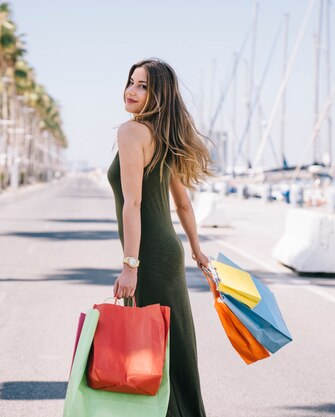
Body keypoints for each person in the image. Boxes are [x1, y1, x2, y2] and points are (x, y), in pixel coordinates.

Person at [107, 58, 213, 417]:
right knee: (172, 344)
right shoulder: (160, 135)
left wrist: (130, 266)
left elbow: (133, 203)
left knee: (150, 349)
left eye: (143, 86)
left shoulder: (131, 132)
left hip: (150, 257)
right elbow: (183, 204)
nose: (131, 91)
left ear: (159, 96)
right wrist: (196, 251)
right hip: (168, 253)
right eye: (131, 82)